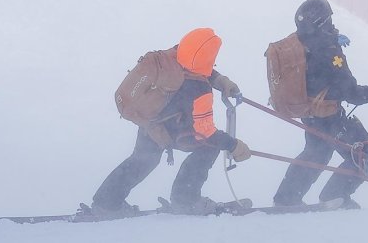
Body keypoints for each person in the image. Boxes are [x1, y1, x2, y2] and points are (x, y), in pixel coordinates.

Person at [90, 28, 250, 217]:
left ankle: (106, 203)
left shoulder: (172, 56)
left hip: (149, 121)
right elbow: (206, 132)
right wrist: (234, 145)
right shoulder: (199, 90)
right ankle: (186, 200)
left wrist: (220, 80)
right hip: (171, 128)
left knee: (144, 159)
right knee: (210, 145)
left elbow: (195, 64)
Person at [270, 0, 368, 208]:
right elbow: (353, 94)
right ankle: (334, 195)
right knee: (362, 154)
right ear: (322, 23)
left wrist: (330, 40)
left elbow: (314, 56)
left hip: (310, 114)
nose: (332, 24)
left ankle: (287, 198)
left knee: (316, 154)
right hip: (330, 117)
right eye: (329, 21)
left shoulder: (299, 42)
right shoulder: (331, 53)